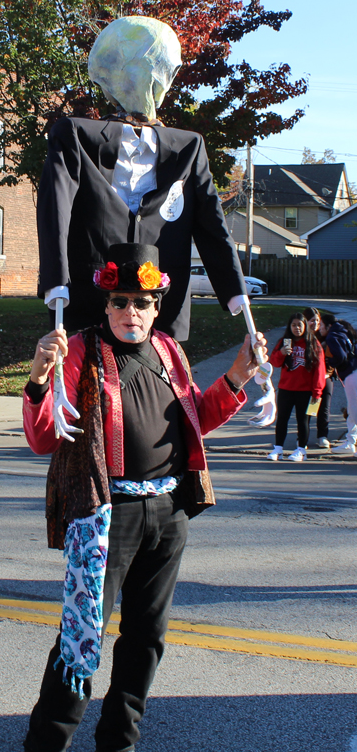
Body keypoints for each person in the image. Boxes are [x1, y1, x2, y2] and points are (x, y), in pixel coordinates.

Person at [22, 243, 267, 752]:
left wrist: (238, 376)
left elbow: (194, 418)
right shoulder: (81, 352)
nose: (130, 311)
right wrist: (40, 377)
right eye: (120, 301)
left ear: (158, 306)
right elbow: (45, 437)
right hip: (106, 515)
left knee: (146, 639)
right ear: (105, 303)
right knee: (81, 638)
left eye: (142, 301)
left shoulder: (170, 352)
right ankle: (47, 743)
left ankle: (119, 741)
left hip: (170, 511)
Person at [38, 16, 248, 342]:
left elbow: (212, 224)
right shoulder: (74, 137)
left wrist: (237, 294)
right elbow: (55, 213)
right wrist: (57, 283)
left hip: (160, 309)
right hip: (90, 302)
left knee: (161, 389)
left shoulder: (188, 149)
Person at [268, 313, 325, 462]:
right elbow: (274, 362)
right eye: (294, 325)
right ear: (290, 326)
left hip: (305, 391)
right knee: (282, 419)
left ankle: (301, 450)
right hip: (286, 388)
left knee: (303, 421)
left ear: (305, 326)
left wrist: (317, 391)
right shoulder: (284, 342)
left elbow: (319, 369)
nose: (297, 328)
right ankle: (278, 449)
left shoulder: (313, 343)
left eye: (300, 325)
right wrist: (281, 353)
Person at [318, 314, 357, 455]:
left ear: (328, 326)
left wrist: (330, 362)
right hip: (353, 371)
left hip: (351, 375)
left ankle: (352, 443)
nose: (320, 328)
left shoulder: (332, 336)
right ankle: (350, 442)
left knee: (355, 411)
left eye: (321, 325)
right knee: (352, 411)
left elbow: (340, 356)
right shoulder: (343, 331)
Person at [302, 306, 333, 448]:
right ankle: (302, 437)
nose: (316, 324)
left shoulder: (326, 336)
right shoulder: (300, 337)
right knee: (308, 409)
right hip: (307, 379)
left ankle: (322, 436)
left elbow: (332, 358)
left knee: (323, 408)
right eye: (312, 321)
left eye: (318, 321)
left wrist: (328, 373)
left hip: (324, 377)